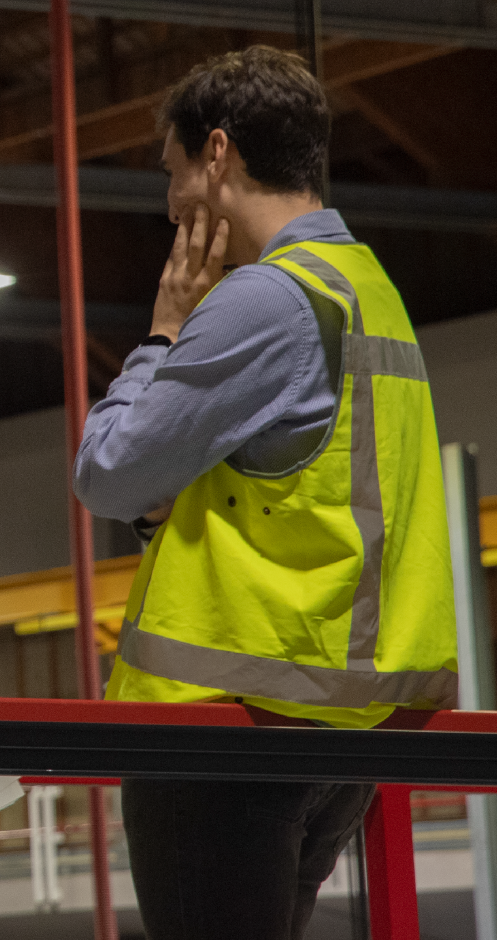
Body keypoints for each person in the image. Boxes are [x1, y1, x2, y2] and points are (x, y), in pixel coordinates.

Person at [72, 46, 456, 940]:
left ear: (217, 154)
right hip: (335, 735)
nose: (171, 206)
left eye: (171, 174)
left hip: (227, 733)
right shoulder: (369, 291)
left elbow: (109, 471)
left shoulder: (265, 302)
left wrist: (164, 335)